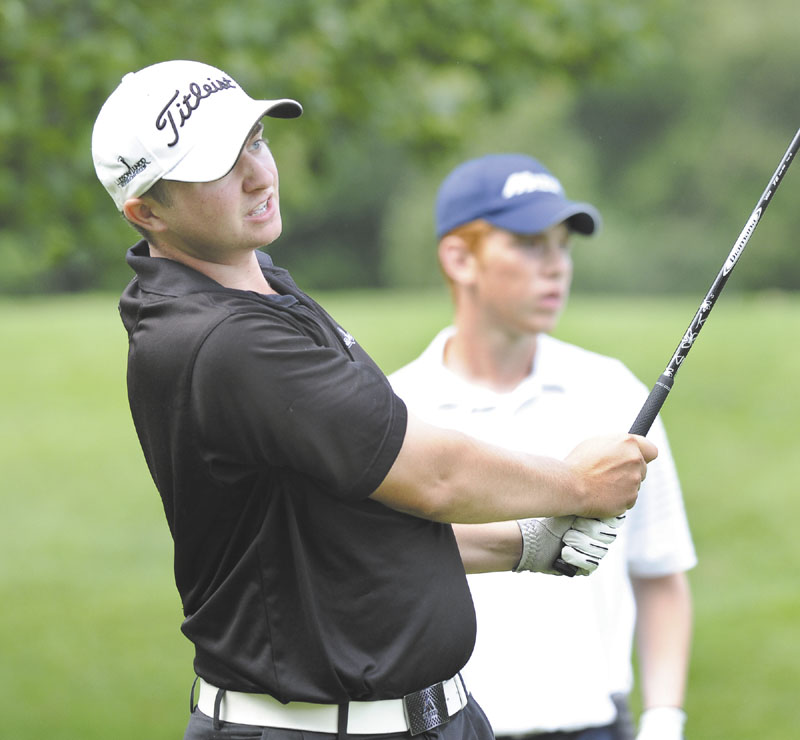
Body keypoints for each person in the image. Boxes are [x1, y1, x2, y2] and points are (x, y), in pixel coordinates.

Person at [91, 61, 658, 740]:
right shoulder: (227, 341)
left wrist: (530, 543)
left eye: (255, 141)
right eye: (217, 166)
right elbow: (433, 475)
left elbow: (353, 522)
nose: (258, 175)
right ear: (146, 211)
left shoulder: (263, 292)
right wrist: (577, 485)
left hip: (423, 718)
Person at [389, 153, 696, 740]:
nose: (556, 266)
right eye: (531, 244)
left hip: (594, 726)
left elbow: (660, 573)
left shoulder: (613, 392)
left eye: (564, 246)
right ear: (459, 258)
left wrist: (663, 723)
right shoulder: (395, 408)